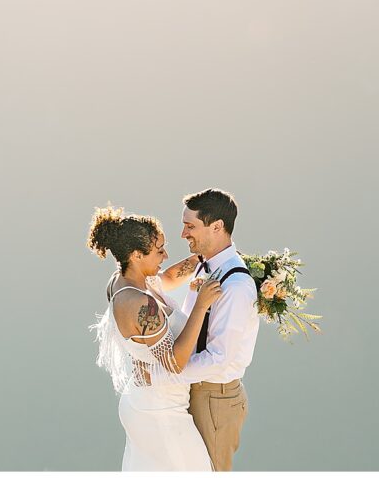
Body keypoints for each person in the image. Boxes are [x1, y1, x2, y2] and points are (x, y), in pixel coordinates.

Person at [88, 205, 223, 471]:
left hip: (148, 403)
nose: (166, 254)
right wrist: (200, 305)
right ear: (137, 255)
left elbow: (168, 277)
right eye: (159, 250)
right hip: (159, 413)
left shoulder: (128, 279)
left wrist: (207, 256)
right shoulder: (139, 304)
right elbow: (174, 363)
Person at [178, 188, 260, 471]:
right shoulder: (205, 267)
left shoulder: (235, 286)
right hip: (198, 391)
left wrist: (169, 372)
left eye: (190, 226)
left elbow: (220, 357)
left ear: (217, 227)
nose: (183, 234)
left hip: (214, 398)